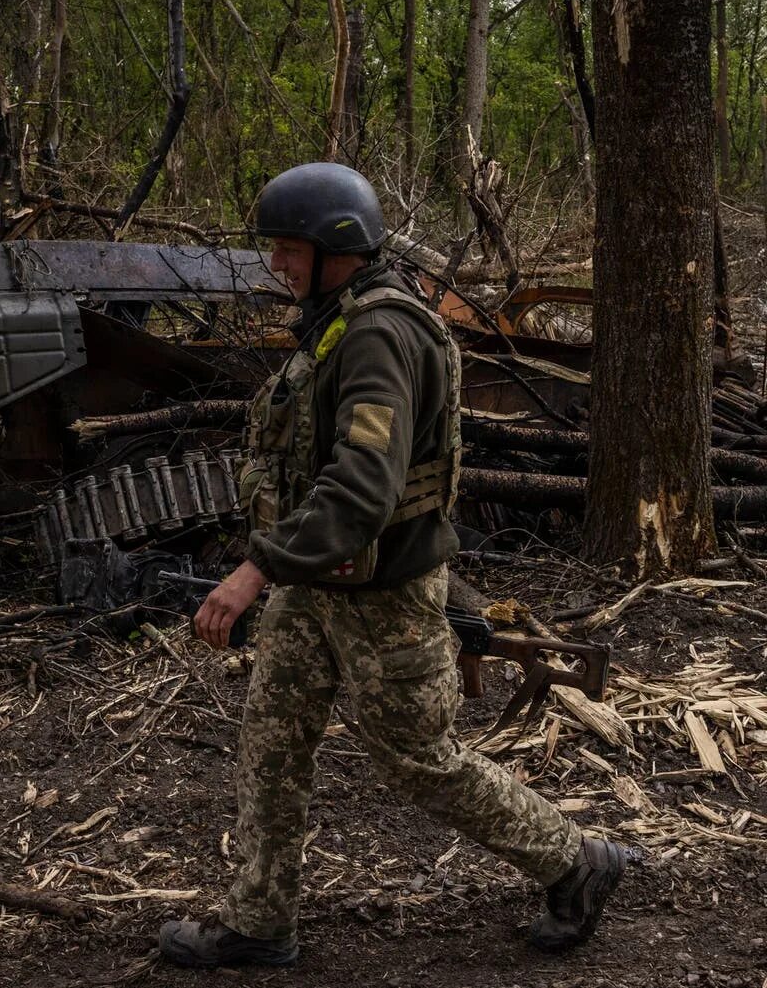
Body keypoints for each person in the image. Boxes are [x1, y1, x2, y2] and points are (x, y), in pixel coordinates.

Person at [158, 163, 629, 969]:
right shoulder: (339, 318)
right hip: (319, 585)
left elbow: (363, 488)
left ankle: (576, 861)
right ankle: (262, 915)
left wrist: (254, 569)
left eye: (287, 248)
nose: (278, 264)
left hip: (383, 597)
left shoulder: (380, 333)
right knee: (273, 738)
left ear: (334, 245)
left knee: (421, 761)